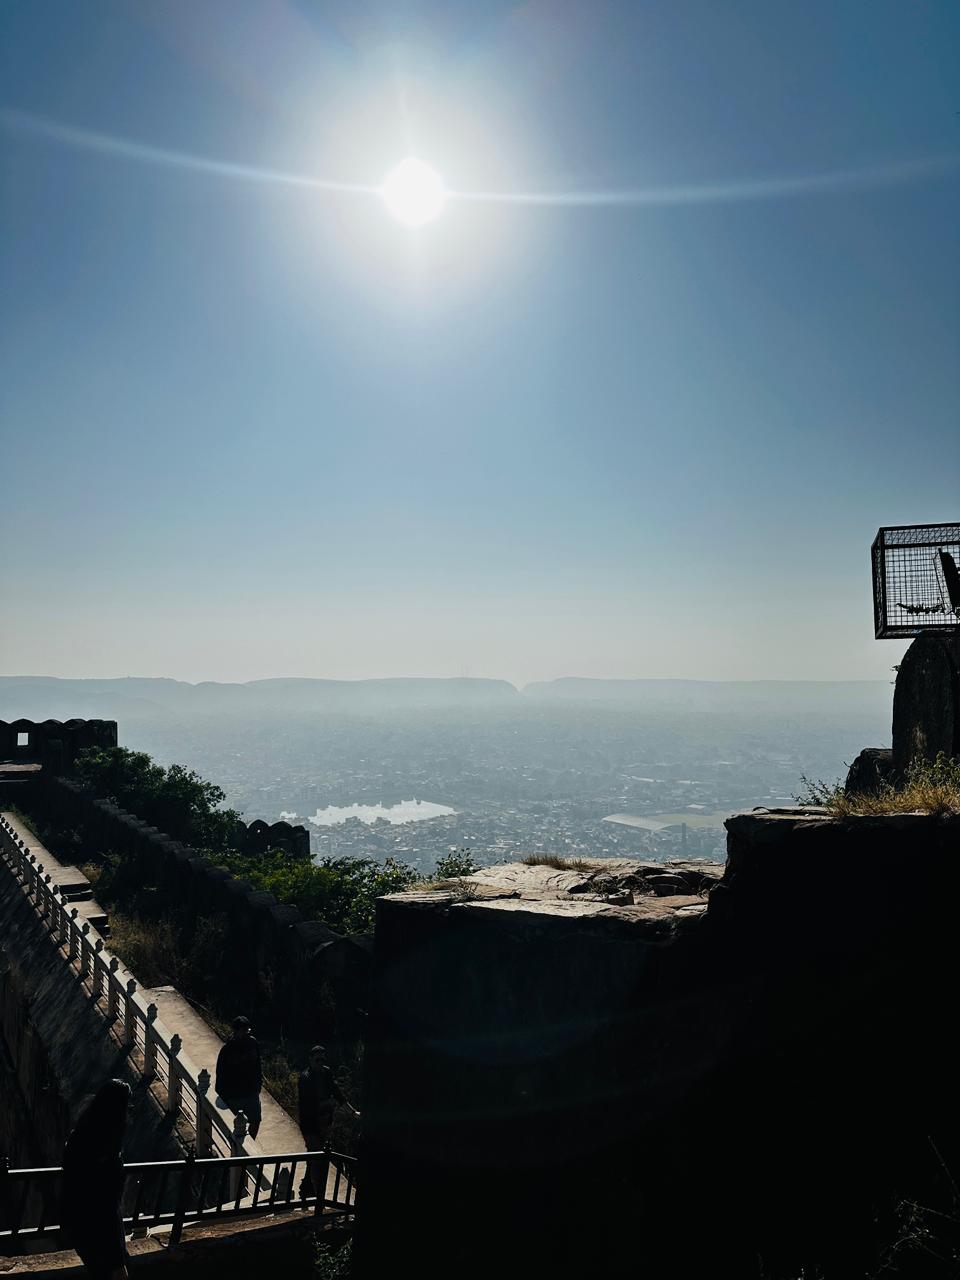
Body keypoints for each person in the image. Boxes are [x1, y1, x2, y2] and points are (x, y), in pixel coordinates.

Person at [60, 1078, 131, 1280]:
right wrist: (118, 1259)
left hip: (79, 1223)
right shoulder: (105, 1151)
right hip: (99, 1229)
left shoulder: (80, 1136)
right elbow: (106, 1207)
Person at [298, 1045, 359, 1198]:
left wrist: (352, 1111)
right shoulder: (305, 1078)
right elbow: (308, 1105)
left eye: (323, 1060)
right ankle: (318, 1195)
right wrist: (328, 1103)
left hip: (325, 1121)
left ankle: (307, 1187)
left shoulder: (326, 1073)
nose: (320, 1063)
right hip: (311, 1124)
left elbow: (337, 1093)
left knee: (315, 1155)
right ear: (310, 1059)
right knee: (317, 1156)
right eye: (317, 1059)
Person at [215, 1015, 263, 1140]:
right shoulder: (227, 1049)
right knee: (236, 1126)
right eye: (243, 1031)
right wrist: (225, 1095)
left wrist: (258, 1085)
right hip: (235, 1095)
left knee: (256, 1120)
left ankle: (250, 1144)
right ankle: (235, 1149)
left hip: (251, 1091)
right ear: (235, 1031)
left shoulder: (253, 1043)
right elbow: (220, 1073)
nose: (246, 1034)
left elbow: (258, 1065)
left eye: (247, 1031)